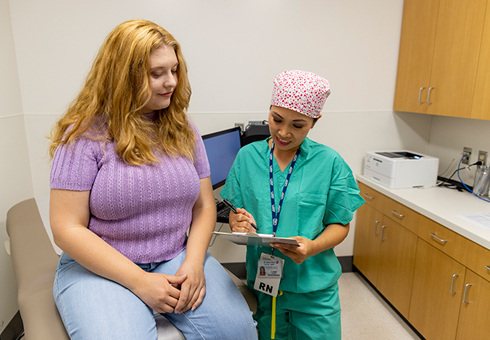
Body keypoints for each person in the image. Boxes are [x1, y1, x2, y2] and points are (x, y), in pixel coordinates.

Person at [48, 19, 257, 340]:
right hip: (100, 268)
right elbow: (66, 228)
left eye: (174, 70)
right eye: (157, 73)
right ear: (122, 76)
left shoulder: (183, 129)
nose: (170, 82)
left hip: (174, 256)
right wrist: (140, 282)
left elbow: (203, 207)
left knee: (239, 332)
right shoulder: (83, 135)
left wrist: (195, 262)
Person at [220, 70, 365, 340]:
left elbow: (340, 224)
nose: (284, 133)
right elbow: (234, 210)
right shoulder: (247, 157)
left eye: (298, 125)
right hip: (264, 285)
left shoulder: (329, 163)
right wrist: (235, 221)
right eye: (276, 120)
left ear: (314, 121)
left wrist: (312, 247)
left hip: (314, 290)